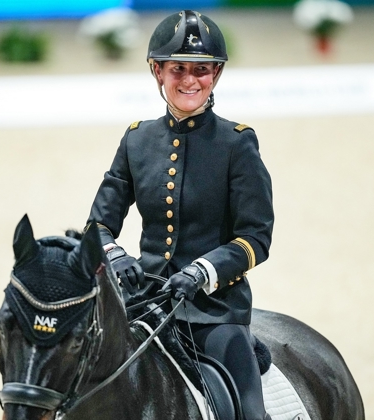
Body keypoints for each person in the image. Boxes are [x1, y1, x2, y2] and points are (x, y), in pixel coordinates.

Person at [86, 10, 273, 420]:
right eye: (178, 69)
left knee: (251, 415)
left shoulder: (237, 144)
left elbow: (256, 238)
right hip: (141, 304)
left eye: (202, 70)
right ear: (157, 71)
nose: (190, 80)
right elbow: (97, 226)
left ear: (216, 75)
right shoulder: (137, 140)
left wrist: (204, 271)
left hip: (214, 310)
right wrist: (117, 257)